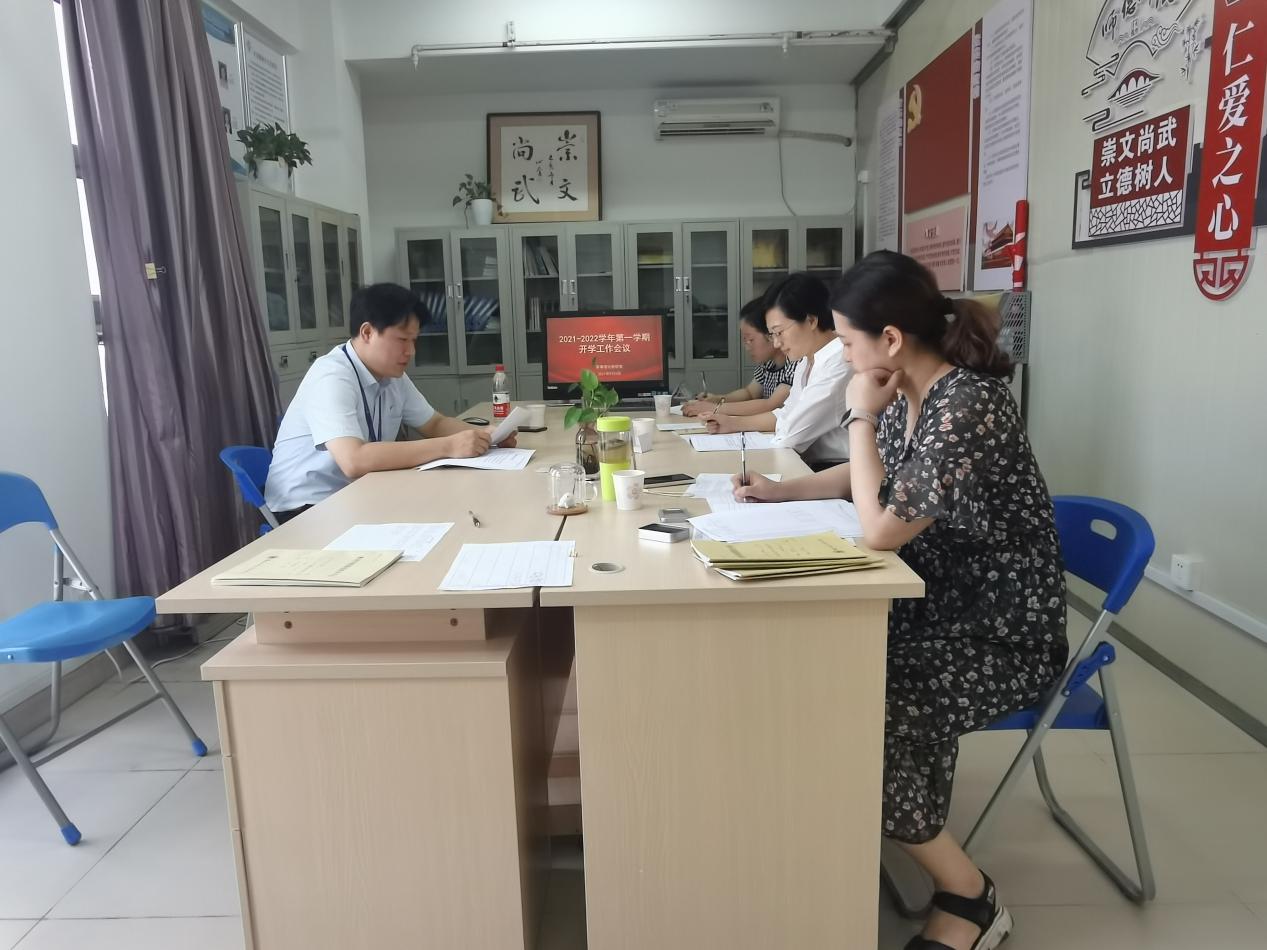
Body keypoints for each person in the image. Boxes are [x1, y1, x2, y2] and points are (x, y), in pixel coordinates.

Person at [735, 251, 1067, 950]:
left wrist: (858, 417)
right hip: (925, 608)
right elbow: (864, 477)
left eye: (847, 341)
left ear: (889, 339)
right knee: (810, 671)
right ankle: (869, 825)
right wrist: (781, 492)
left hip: (996, 633)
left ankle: (969, 896)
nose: (842, 355)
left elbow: (882, 528)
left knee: (853, 707)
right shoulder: (906, 389)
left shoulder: (966, 405)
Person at [265, 283, 512, 523]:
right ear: (367, 333)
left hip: (358, 494)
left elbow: (434, 423)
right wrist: (449, 446)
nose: (411, 351)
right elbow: (354, 460)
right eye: (402, 340)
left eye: (414, 340)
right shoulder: (331, 376)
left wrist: (487, 436)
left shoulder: (392, 376)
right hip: (307, 508)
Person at [704, 272, 852, 469]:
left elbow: (790, 435)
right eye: (772, 334)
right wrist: (731, 423)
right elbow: (786, 414)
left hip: (838, 469)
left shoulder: (839, 362)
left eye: (779, 332)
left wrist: (734, 420)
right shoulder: (806, 361)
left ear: (810, 321)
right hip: (809, 463)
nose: (776, 343)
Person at [681, 297, 800, 418]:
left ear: (771, 333)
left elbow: (770, 405)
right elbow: (750, 393)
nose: (747, 347)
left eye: (751, 340)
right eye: (745, 340)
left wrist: (714, 408)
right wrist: (717, 399)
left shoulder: (795, 363)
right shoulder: (768, 363)